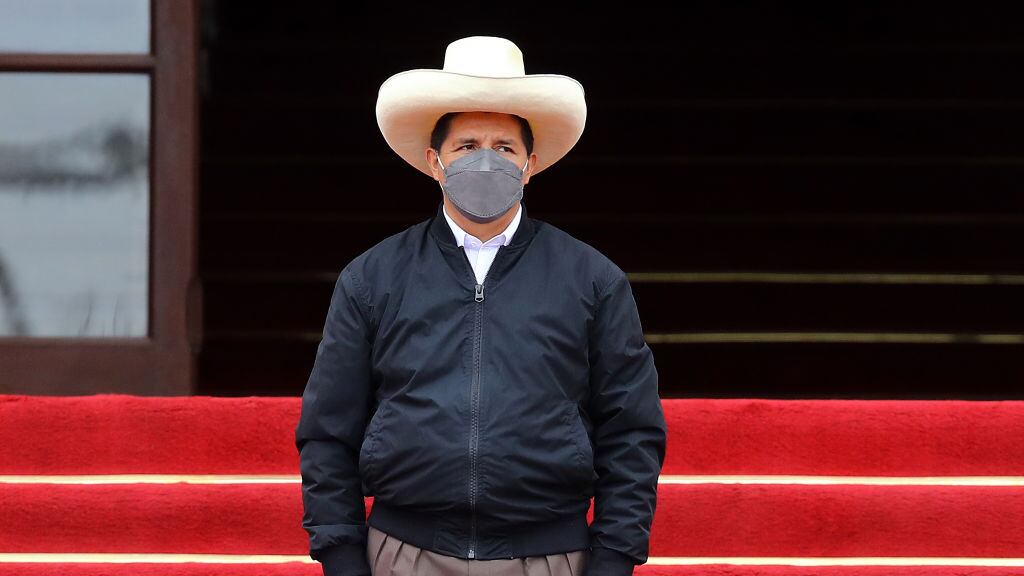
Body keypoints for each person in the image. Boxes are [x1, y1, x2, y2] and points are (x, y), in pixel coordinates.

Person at [295, 35, 667, 576]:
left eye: (505, 148)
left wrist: (613, 557)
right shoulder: (372, 279)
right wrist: (341, 555)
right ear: (435, 161)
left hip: (549, 555)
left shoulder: (593, 280)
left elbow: (632, 429)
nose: (486, 161)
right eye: (467, 146)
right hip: (404, 552)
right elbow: (328, 430)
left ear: (530, 164)